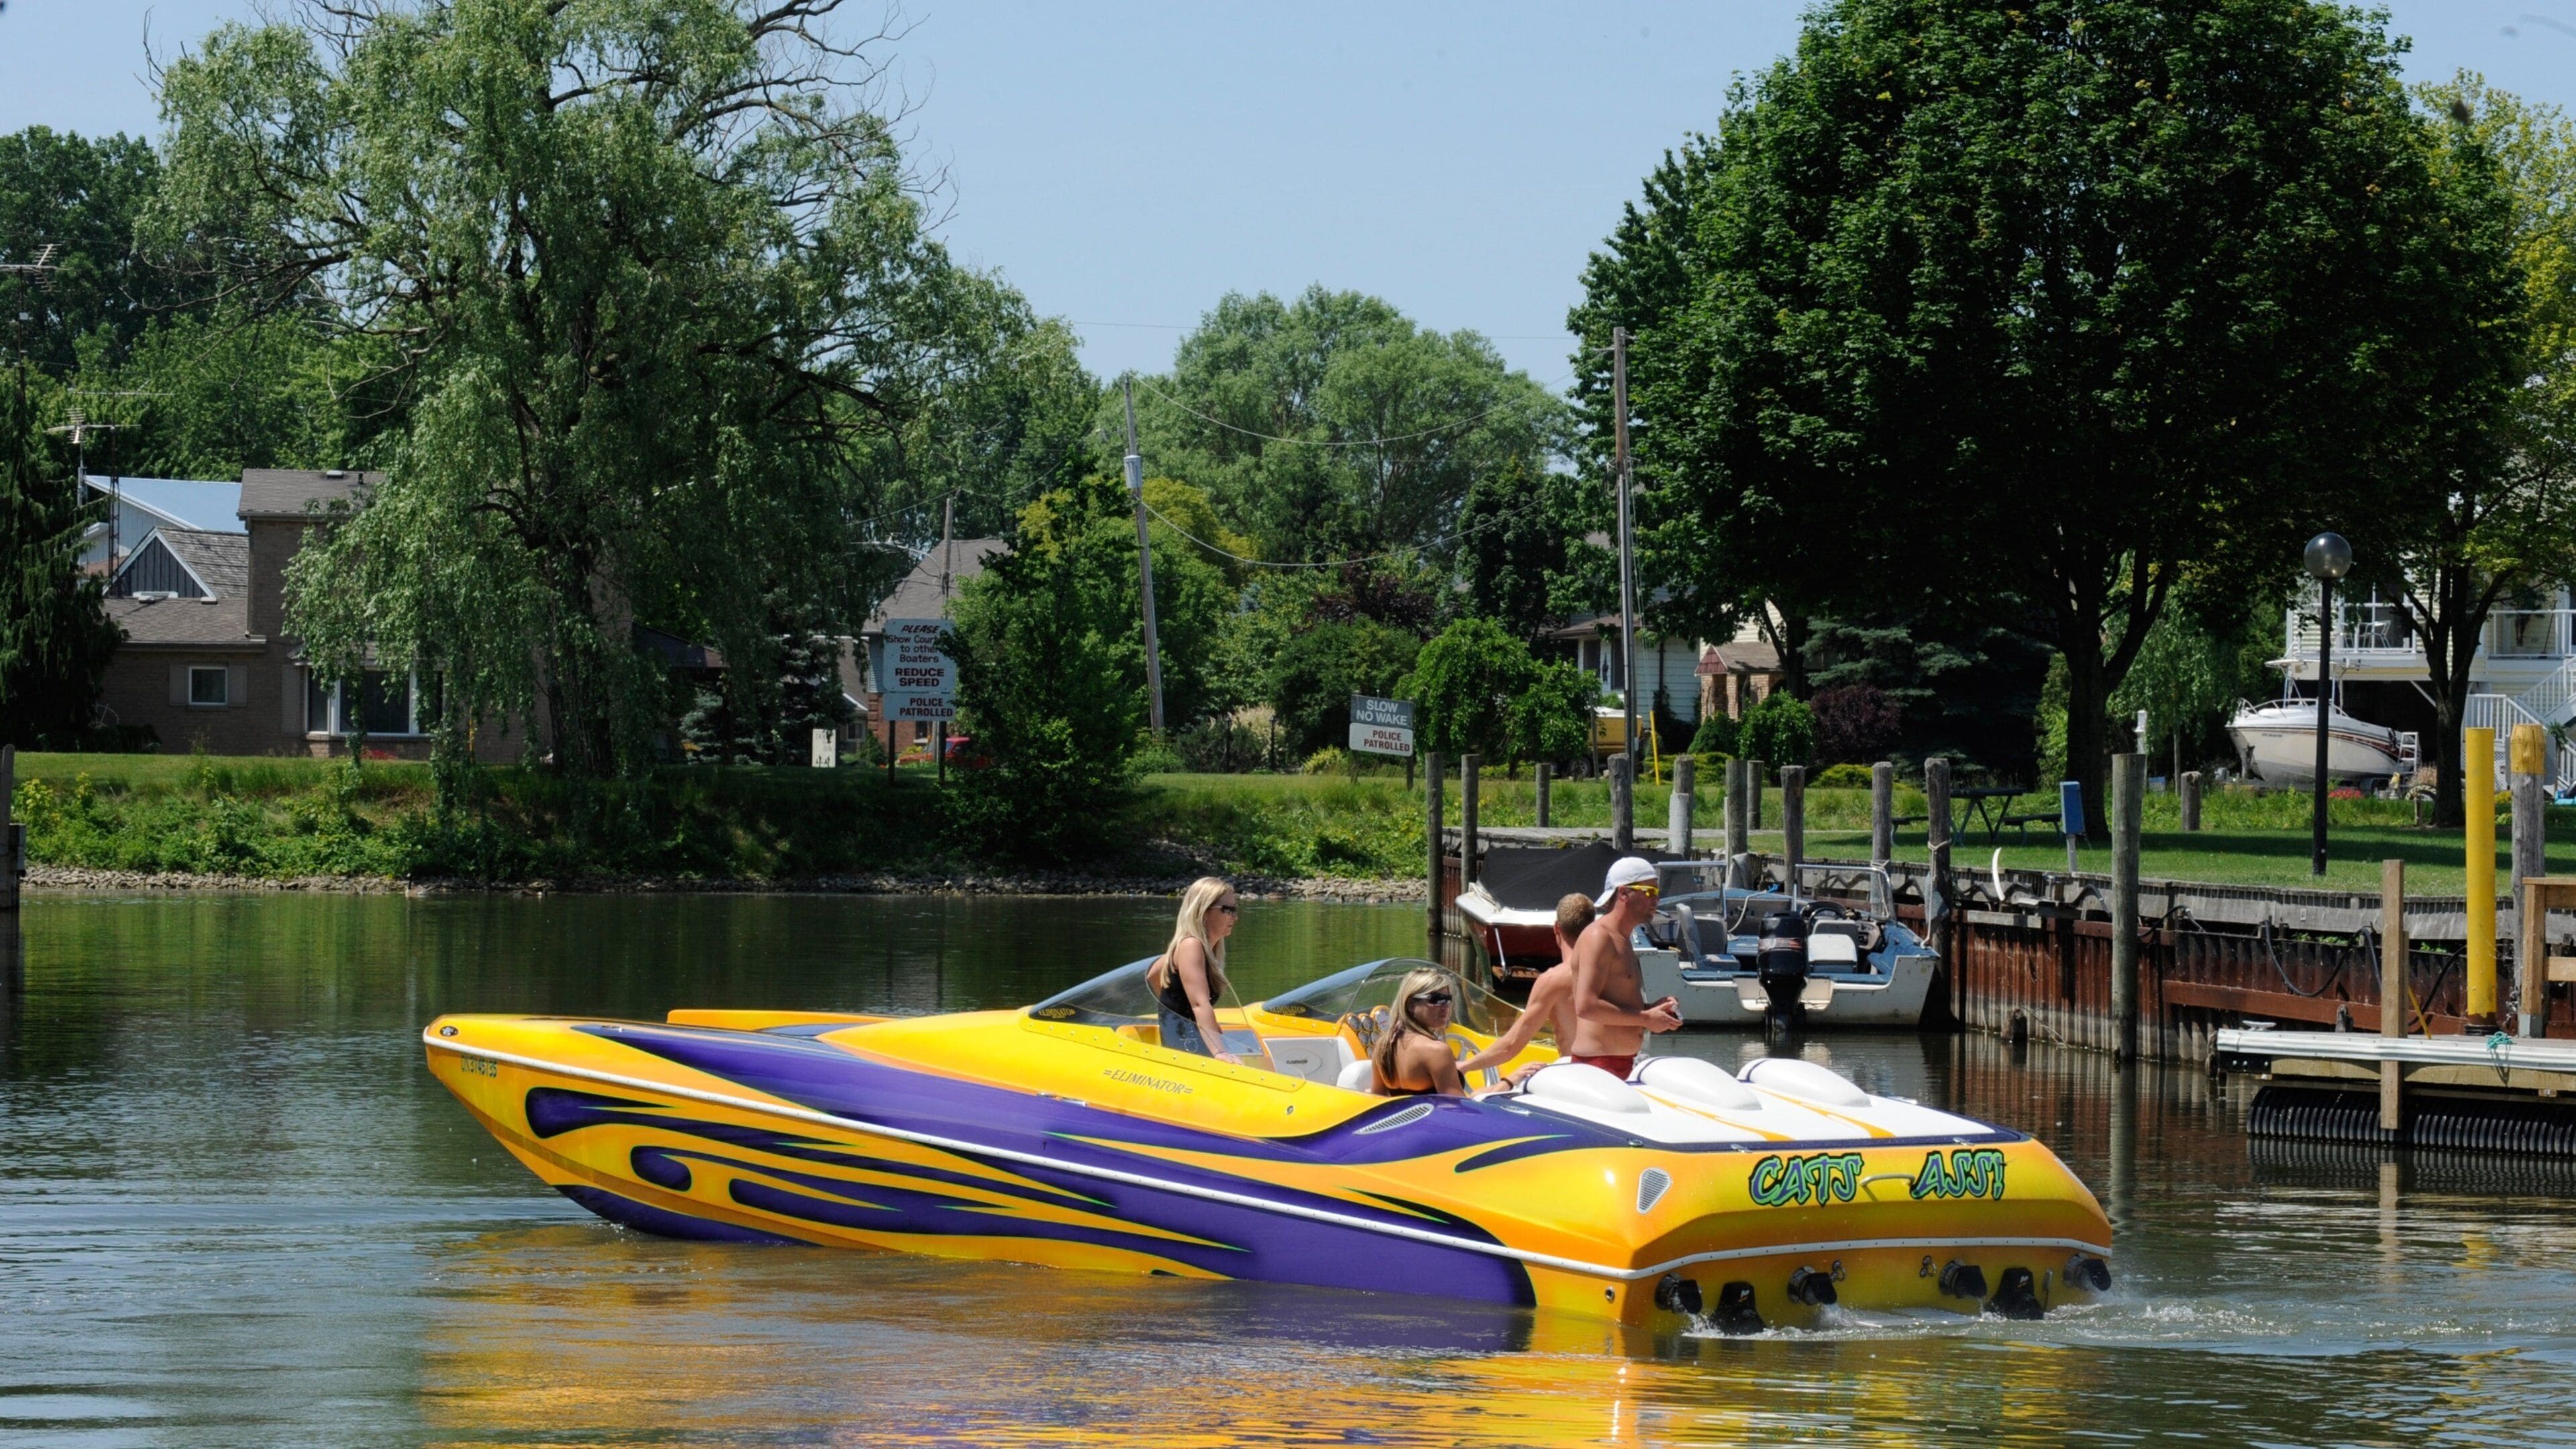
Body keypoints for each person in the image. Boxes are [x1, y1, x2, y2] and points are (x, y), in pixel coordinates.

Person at [1456, 893, 1593, 1085]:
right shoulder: (1613, 970)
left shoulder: (1553, 980)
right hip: (1614, 1071)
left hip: (1576, 1074)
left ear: (1556, 928)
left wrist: (1465, 1066)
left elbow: (1511, 1046)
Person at [1568, 856, 1683, 1080]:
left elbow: (1617, 1002)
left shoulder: (1623, 938)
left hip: (1623, 1064)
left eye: (1657, 893)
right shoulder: (1599, 936)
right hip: (1598, 1068)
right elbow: (1586, 1006)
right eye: (1649, 892)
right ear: (1623, 893)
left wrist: (1653, 1010)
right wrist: (1645, 1018)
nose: (1656, 900)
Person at [1148, 877, 1242, 1065]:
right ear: (1204, 912)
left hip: (1191, 1040)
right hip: (1186, 1048)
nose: (1235, 917)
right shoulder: (1191, 945)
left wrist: (1174, 1012)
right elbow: (1199, 1004)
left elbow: (1153, 974)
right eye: (1228, 910)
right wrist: (1220, 1052)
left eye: (1235, 910)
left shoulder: (1202, 949)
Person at [1371, 967, 1469, 1097]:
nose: (1445, 1006)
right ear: (1411, 1004)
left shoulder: (1383, 1045)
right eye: (1436, 999)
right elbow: (1456, 1109)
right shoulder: (1437, 1051)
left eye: (1448, 999)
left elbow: (1377, 1098)